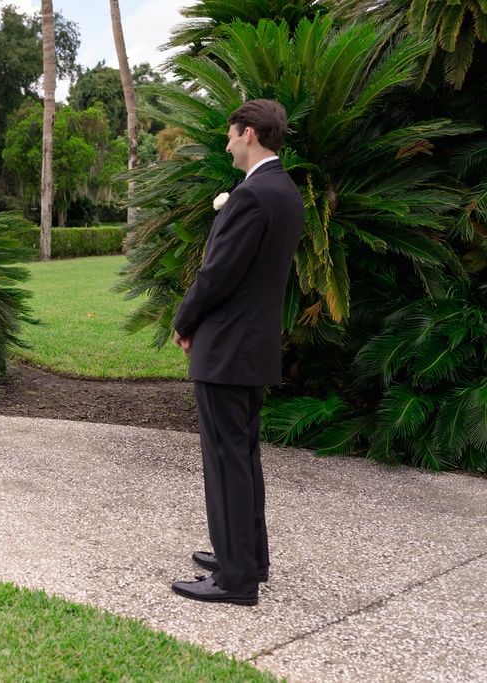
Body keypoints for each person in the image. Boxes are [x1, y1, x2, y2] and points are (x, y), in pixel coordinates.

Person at [170, 99, 304, 606]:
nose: (226, 144)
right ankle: (248, 556)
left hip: (227, 347)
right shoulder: (285, 191)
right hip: (255, 344)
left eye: (229, 135)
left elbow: (218, 275)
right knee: (243, 456)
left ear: (249, 134)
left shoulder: (252, 196)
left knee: (226, 459)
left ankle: (234, 578)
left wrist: (185, 322)